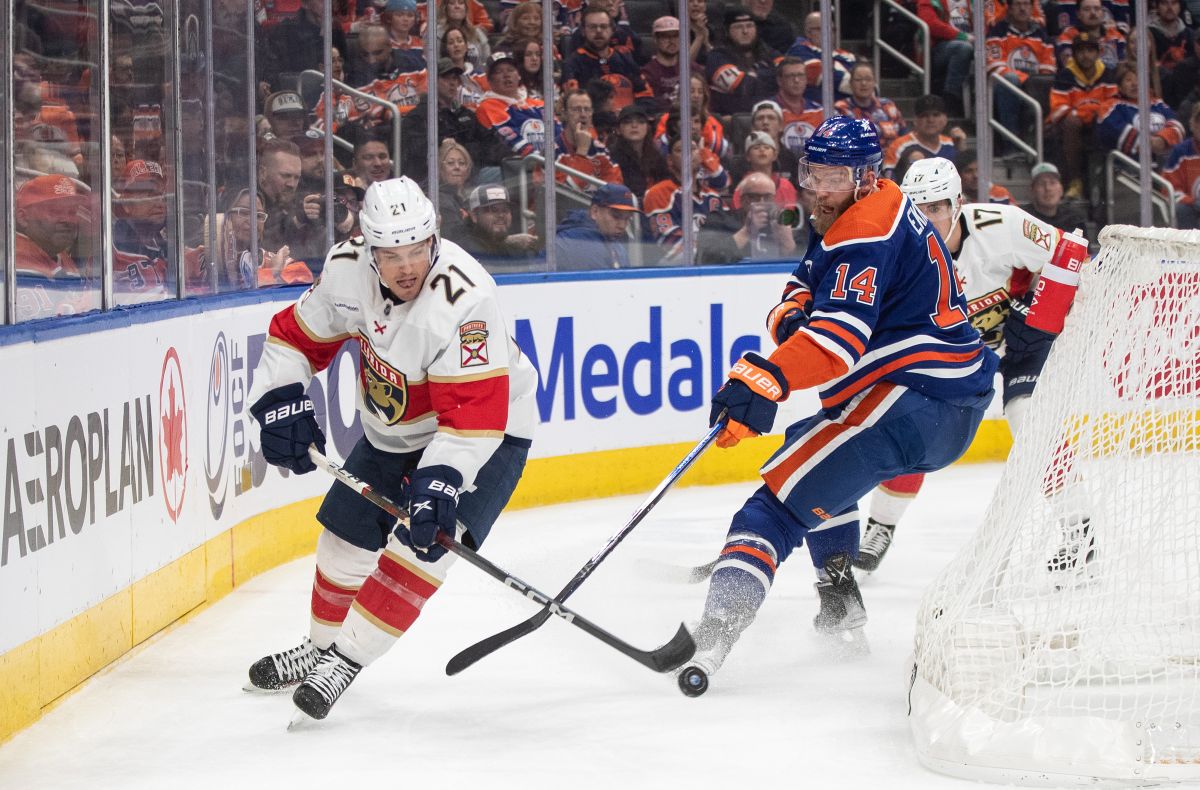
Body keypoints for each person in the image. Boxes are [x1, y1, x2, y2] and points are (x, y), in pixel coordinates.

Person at [675, 118, 997, 694]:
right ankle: (840, 603)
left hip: (909, 402)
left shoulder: (866, 230)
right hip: (943, 403)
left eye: (833, 176)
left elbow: (837, 342)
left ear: (866, 176)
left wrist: (766, 378)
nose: (818, 188)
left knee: (770, 512)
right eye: (812, 173)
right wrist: (794, 319)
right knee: (811, 451)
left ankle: (713, 635)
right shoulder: (867, 209)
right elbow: (800, 292)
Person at [244, 177, 536, 722]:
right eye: (391, 254)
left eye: (417, 251)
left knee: (422, 546)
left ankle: (344, 662)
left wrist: (442, 481)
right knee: (342, 540)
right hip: (395, 430)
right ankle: (319, 648)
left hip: (486, 435)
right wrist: (279, 399)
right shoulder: (346, 268)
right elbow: (296, 337)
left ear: (435, 238)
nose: (406, 267)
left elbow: (472, 415)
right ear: (369, 247)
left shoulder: (466, 297)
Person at [852, 156, 1066, 572]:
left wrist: (1040, 313)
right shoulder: (897, 254)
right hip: (959, 355)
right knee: (917, 427)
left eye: (936, 208)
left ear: (958, 204)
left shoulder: (1002, 225)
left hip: (1023, 343)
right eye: (918, 209)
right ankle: (882, 525)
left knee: (1029, 420)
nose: (927, 219)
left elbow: (1070, 258)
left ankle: (1079, 529)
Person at [1047, 31, 1117, 199]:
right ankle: (1075, 181)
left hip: (1098, 122)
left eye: (1090, 50)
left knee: (1113, 121)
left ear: (1098, 53)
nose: (1086, 55)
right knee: (1072, 122)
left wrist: (1086, 112)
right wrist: (1090, 112)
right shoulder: (1065, 75)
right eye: (1081, 51)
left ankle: (1112, 179)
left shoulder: (1107, 74)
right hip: (1071, 126)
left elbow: (1113, 104)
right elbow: (1058, 108)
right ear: (1074, 54)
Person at [644, 133, 728, 263]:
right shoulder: (657, 193)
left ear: (700, 156)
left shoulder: (713, 197)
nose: (688, 153)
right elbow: (672, 246)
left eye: (693, 149)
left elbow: (730, 236)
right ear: (670, 160)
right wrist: (717, 253)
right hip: (675, 270)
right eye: (680, 150)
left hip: (714, 265)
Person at [985, 0, 1055, 153]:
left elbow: (1048, 69)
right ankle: (1011, 145)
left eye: (1026, 4)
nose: (1022, 8)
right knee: (1010, 80)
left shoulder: (1042, 35)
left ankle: (1042, 146)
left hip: (1034, 88)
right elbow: (995, 67)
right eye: (1017, 4)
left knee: (1050, 84)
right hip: (1003, 87)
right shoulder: (998, 31)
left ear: (1032, 7)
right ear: (1009, 8)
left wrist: (1033, 83)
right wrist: (1026, 80)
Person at [562, 7, 654, 111]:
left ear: (612, 30)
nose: (598, 31)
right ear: (583, 31)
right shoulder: (573, 63)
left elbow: (646, 96)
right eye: (593, 27)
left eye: (604, 26)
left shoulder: (625, 58)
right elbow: (574, 104)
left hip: (628, 118)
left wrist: (630, 114)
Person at [697, 171, 797, 264]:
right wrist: (746, 232)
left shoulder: (779, 222)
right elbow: (707, 260)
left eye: (767, 197)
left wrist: (787, 240)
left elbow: (798, 263)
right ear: (742, 199)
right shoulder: (719, 220)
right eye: (754, 197)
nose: (761, 202)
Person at [1096, 62, 1184, 162]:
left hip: (1162, 164)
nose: (1135, 84)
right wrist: (1149, 143)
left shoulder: (1158, 104)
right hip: (1128, 167)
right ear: (1120, 87)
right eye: (1128, 80)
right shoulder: (1110, 107)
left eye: (1138, 79)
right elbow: (1112, 129)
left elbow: (1176, 124)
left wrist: (1163, 139)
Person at [706, 6, 782, 115]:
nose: (745, 31)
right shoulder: (717, 57)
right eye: (738, 27)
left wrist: (754, 76)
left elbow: (786, 78)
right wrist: (771, 76)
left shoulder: (770, 53)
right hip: (731, 120)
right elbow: (743, 87)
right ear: (727, 31)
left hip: (769, 117)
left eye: (749, 26)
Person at [458, 183, 542, 271]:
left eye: (505, 210)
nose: (501, 215)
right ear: (474, 216)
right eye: (493, 210)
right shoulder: (465, 251)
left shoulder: (508, 247)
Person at [553, 182, 639, 269]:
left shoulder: (618, 246)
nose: (622, 225)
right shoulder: (569, 241)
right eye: (616, 216)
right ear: (595, 211)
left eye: (627, 218)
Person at [883, 93, 967, 177]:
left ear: (945, 119)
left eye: (936, 115)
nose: (930, 120)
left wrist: (962, 150)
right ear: (915, 120)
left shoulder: (952, 144)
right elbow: (888, 179)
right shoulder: (899, 146)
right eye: (924, 116)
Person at [915, 0, 975, 115]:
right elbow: (931, 24)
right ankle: (950, 100)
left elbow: (988, 22)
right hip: (940, 47)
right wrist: (961, 36)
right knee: (963, 48)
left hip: (974, 43)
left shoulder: (974, 2)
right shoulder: (931, 1)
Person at [834, 62, 908, 153]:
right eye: (858, 80)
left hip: (893, 157)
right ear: (851, 83)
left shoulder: (888, 105)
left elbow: (904, 134)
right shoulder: (840, 109)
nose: (863, 83)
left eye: (868, 79)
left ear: (874, 83)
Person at [609, 103, 670, 197]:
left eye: (641, 122)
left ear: (647, 128)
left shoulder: (657, 157)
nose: (634, 125)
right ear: (618, 130)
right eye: (627, 122)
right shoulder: (612, 157)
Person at [771, 57, 826, 159]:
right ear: (779, 81)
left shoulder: (819, 111)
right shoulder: (769, 110)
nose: (796, 80)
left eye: (800, 75)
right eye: (790, 76)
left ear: (806, 79)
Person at [1054, 0, 1126, 68]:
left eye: (1097, 9)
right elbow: (1069, 66)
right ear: (1078, 14)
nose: (1093, 13)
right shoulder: (1068, 36)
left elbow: (1123, 64)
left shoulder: (1115, 36)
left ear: (1102, 13)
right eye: (1087, 9)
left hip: (1112, 76)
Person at [1021, 161, 1088, 231]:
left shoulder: (1074, 220)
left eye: (1052, 183)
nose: (1048, 188)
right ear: (1032, 191)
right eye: (1041, 184)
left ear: (1061, 190)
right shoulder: (1023, 218)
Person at [1165, 105, 1200, 229]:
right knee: (1182, 209)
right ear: (1192, 124)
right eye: (1198, 121)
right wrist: (1193, 202)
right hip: (1193, 210)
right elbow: (1170, 190)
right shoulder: (1180, 152)